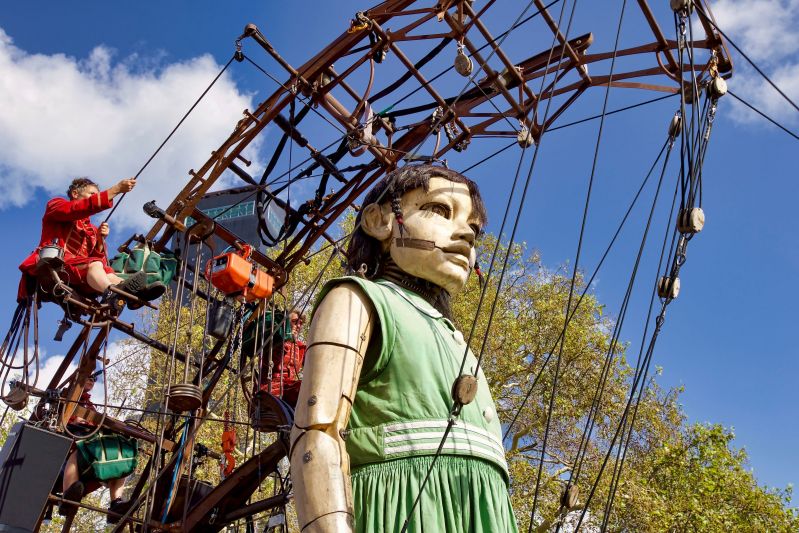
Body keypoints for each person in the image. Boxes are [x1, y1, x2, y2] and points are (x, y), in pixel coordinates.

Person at [290, 165, 518, 532]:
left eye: (473, 229)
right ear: (379, 220)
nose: (466, 234)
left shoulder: (454, 337)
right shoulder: (356, 298)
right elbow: (317, 431)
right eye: (440, 211)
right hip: (406, 507)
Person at [18, 177, 164, 304]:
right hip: (57, 264)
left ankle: (135, 292)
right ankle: (110, 293)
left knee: (108, 272)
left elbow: (98, 258)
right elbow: (75, 209)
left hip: (79, 274)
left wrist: (100, 241)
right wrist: (116, 189)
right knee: (95, 264)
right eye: (92, 194)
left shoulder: (92, 230)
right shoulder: (56, 205)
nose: (95, 197)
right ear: (75, 194)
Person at [59, 374, 130, 521]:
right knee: (79, 448)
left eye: (94, 379)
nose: (91, 380)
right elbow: (61, 416)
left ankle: (116, 502)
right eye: (89, 377)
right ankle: (69, 493)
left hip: (93, 443)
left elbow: (97, 421)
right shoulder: (67, 396)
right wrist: (77, 419)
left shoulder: (90, 405)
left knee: (121, 454)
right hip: (74, 441)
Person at [262, 310, 307, 408]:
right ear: (286, 323)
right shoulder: (274, 339)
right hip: (271, 388)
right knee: (303, 388)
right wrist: (284, 341)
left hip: (289, 389)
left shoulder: (300, 348)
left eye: (300, 323)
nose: (298, 326)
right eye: (295, 322)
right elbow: (266, 362)